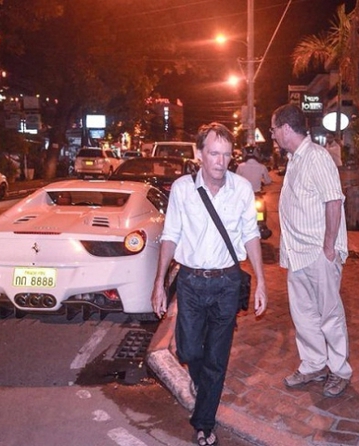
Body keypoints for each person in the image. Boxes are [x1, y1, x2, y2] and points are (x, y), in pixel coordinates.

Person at [151, 122, 268, 446]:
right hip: (190, 282)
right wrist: (159, 283)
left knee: (217, 358)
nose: (221, 161)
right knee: (189, 350)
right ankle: (203, 384)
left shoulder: (242, 189)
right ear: (200, 154)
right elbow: (170, 236)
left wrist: (261, 281)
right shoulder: (182, 189)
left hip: (227, 283)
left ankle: (204, 423)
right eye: (214, 153)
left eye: (227, 155)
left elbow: (251, 235)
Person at [270, 104, 352, 398]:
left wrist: (329, 247)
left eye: (274, 129)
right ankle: (314, 364)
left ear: (287, 129)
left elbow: (334, 201)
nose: (272, 135)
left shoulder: (317, 158)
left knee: (329, 313)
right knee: (303, 313)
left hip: (318, 252)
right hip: (297, 253)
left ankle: (339, 369)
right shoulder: (295, 159)